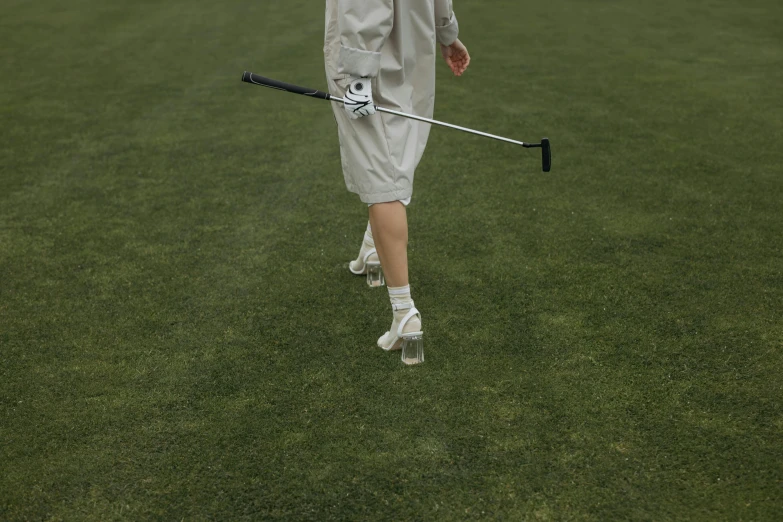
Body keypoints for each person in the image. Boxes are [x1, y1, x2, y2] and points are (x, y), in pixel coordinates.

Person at [324, 0, 470, 355]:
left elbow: (364, 9)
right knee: (393, 156)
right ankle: (374, 249)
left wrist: (358, 77)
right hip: (411, 50)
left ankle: (405, 313)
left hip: (372, 62)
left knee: (381, 175)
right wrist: (448, 33)